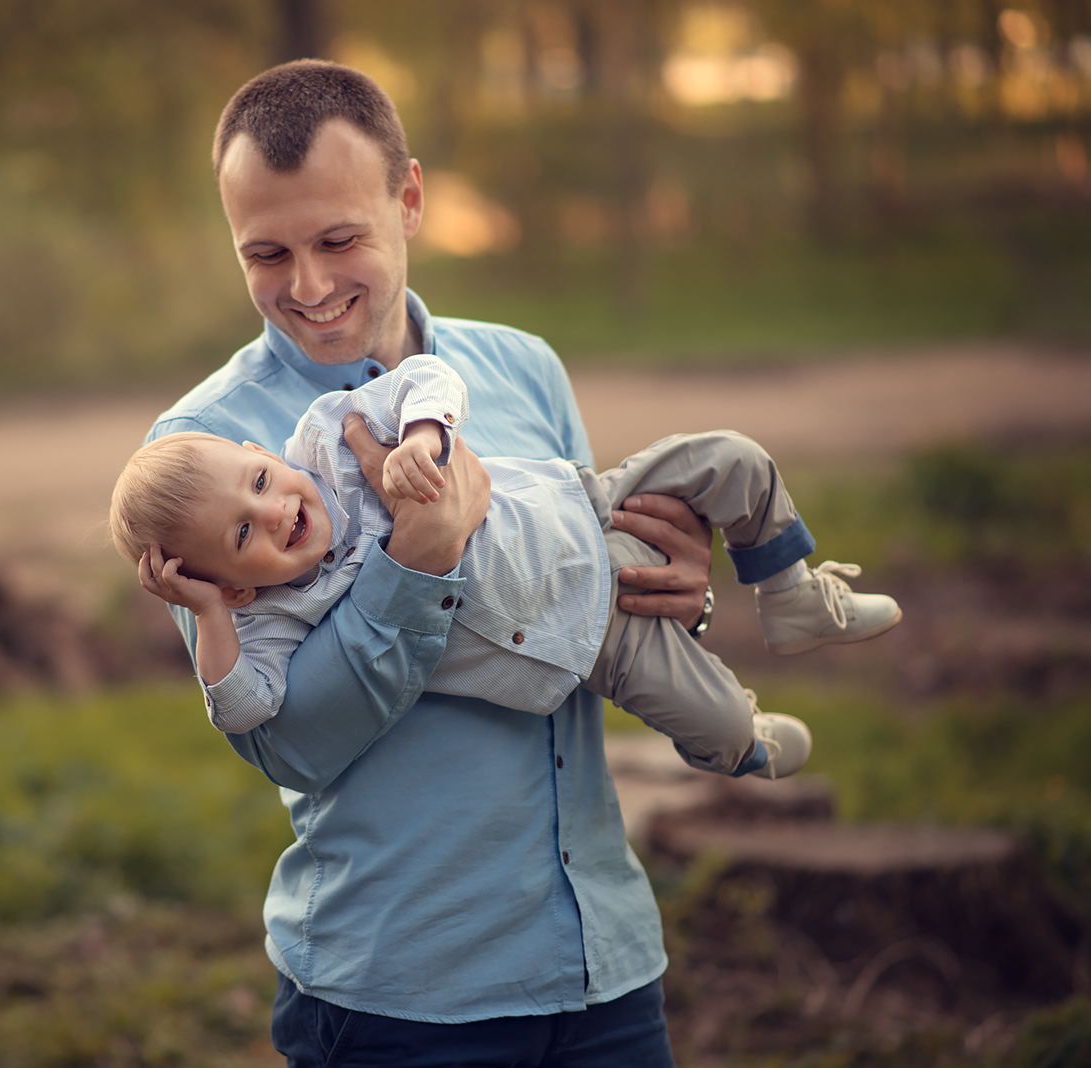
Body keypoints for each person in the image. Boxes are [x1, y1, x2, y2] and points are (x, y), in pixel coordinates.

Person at [145, 58, 721, 1065]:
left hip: (605, 965)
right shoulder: (198, 457)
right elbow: (288, 744)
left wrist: (669, 596)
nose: (308, 287)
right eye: (266, 253)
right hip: (399, 1000)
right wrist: (416, 563)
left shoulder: (521, 368)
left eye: (338, 240)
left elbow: (570, 607)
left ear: (409, 199)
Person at [112, 353, 900, 781]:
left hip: (591, 506)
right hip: (585, 640)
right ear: (235, 583)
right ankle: (746, 744)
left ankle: (790, 593)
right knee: (721, 726)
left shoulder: (330, 438)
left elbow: (431, 376)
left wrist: (421, 437)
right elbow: (249, 711)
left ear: (260, 453)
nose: (275, 511)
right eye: (244, 534)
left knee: (734, 458)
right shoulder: (272, 616)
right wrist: (211, 617)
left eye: (258, 483)